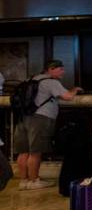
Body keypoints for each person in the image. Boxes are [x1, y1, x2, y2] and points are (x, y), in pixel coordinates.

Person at [14, 60, 82, 190]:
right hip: (40, 118)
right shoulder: (50, 82)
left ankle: (24, 181)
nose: (63, 72)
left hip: (23, 118)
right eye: (60, 69)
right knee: (36, 152)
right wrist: (75, 90)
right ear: (51, 69)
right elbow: (67, 96)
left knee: (23, 151)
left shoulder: (30, 79)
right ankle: (34, 181)